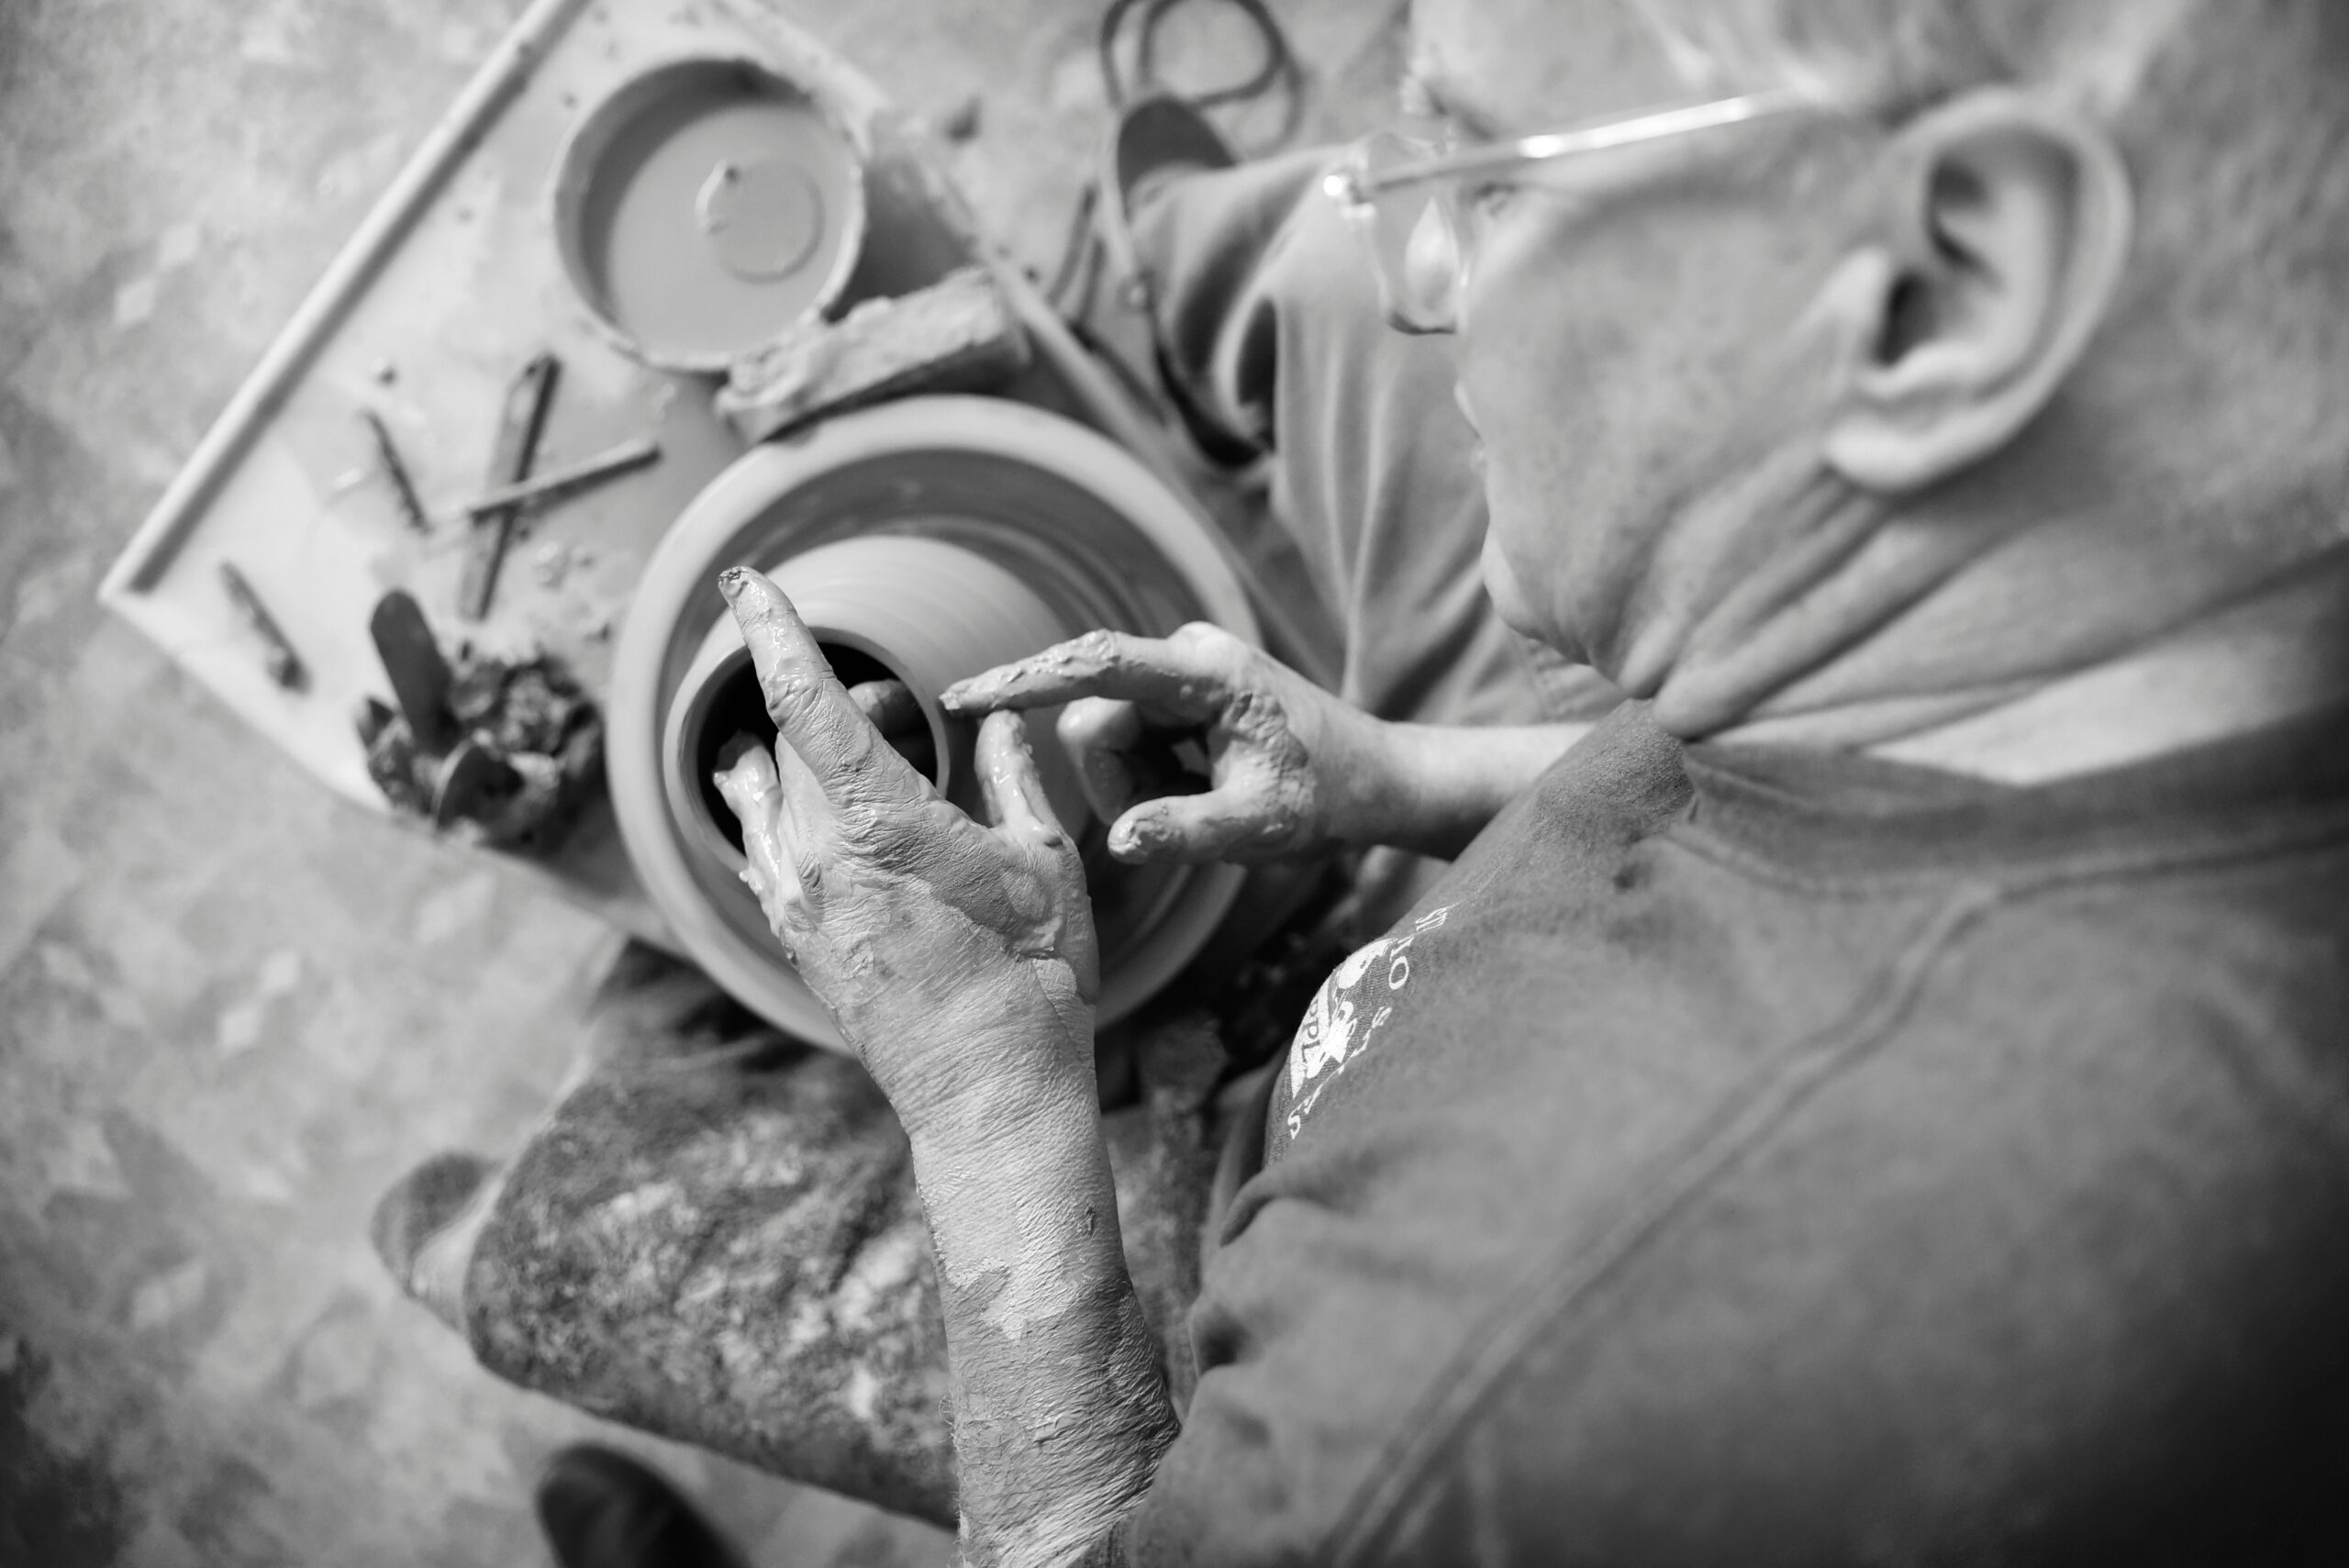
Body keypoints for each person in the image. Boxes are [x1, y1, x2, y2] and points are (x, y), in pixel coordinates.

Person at [706, 0, 2349, 1562]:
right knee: (1331, 282)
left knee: (594, 1230)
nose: (1434, 267)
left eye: (1485, 181)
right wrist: (1403, 776)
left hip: (1371, 1251)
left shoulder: (1499, 1371)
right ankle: (1192, 255)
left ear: (1945, 290)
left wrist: (992, 1106)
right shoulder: (2153, 619)